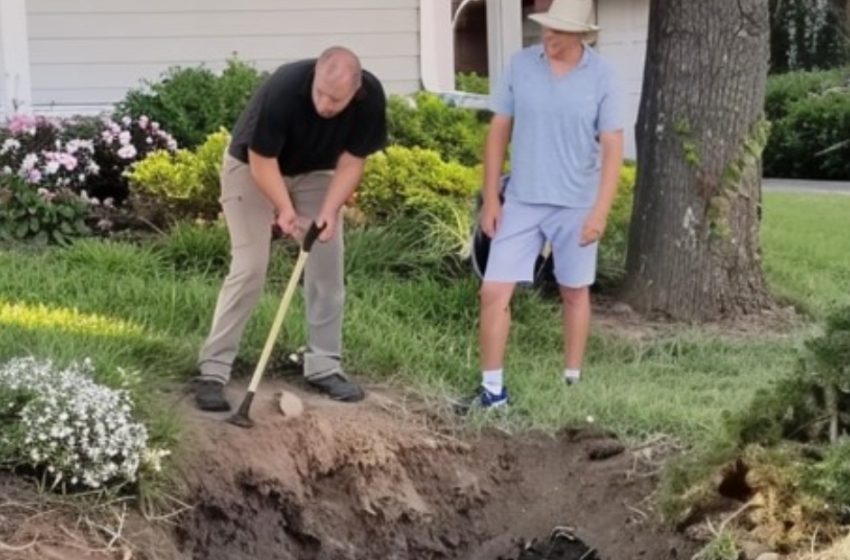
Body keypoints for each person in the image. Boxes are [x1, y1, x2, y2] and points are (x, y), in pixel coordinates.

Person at [193, 46, 387, 411]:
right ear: (314, 76)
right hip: (252, 168)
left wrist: (329, 210)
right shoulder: (284, 87)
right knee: (250, 266)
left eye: (336, 100)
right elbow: (261, 159)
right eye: (321, 94)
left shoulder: (370, 99)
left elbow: (351, 162)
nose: (325, 105)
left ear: (356, 92)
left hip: (315, 171)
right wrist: (283, 208)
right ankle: (213, 370)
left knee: (327, 264)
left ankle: (324, 366)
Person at [463, 0, 625, 410]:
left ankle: (572, 379)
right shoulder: (520, 65)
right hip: (521, 199)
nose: (547, 37)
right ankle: (493, 391)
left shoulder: (603, 76)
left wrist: (600, 212)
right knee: (493, 290)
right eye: (544, 29)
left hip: (576, 203)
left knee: (574, 291)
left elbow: (612, 147)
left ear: (581, 35)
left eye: (557, 31)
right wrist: (491, 199)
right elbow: (499, 130)